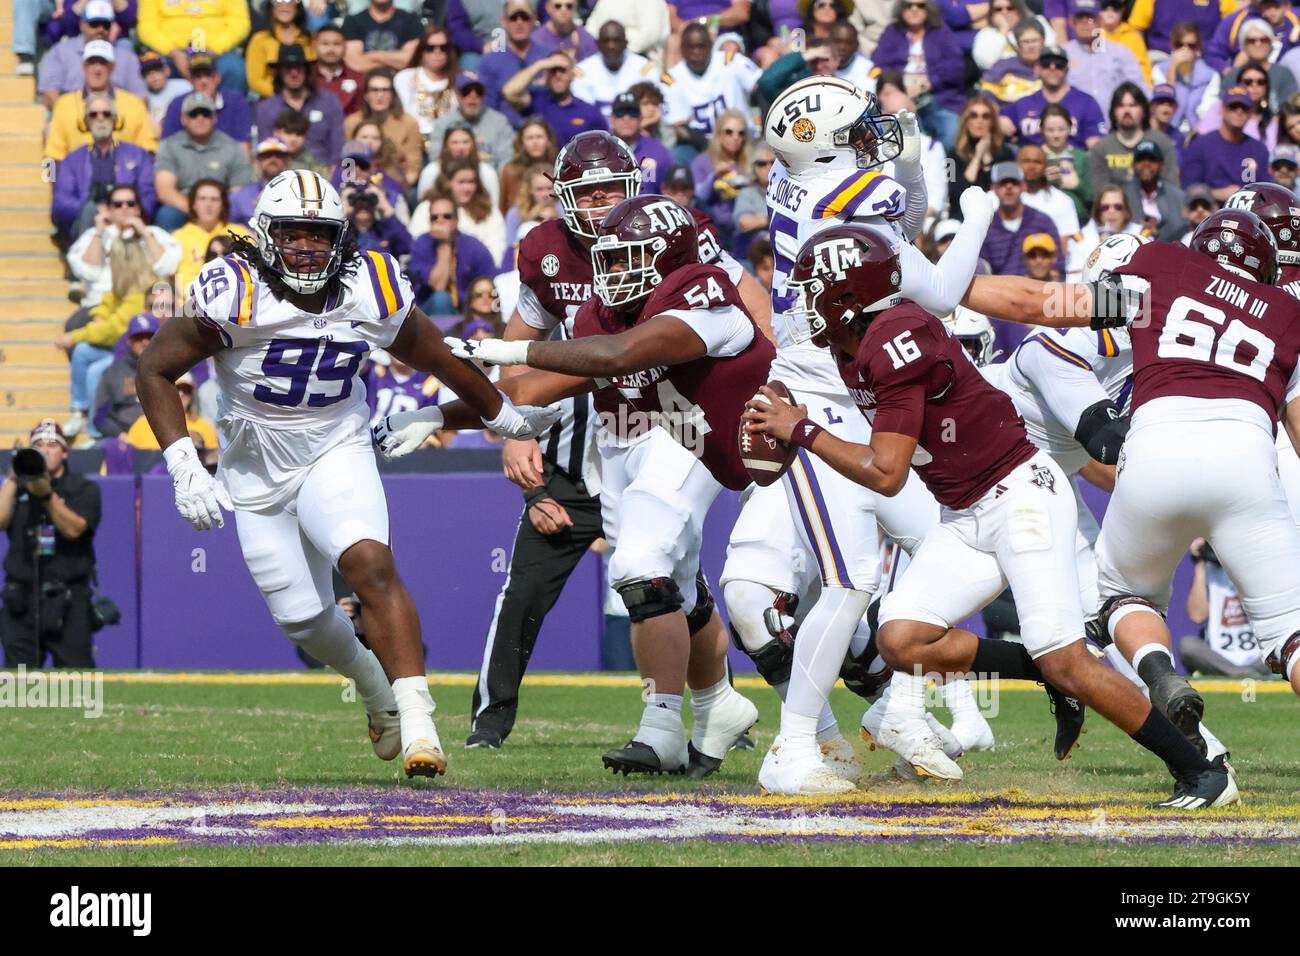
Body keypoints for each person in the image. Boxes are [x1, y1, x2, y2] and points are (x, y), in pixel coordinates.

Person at [756, 223, 1237, 810]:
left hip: (1021, 498)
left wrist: (801, 429)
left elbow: (887, 471)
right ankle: (1048, 679)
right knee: (902, 639)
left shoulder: (894, 335)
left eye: (813, 289)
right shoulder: (853, 343)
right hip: (966, 512)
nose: (804, 303)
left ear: (847, 294)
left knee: (1066, 654)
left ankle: (1199, 770)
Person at [135, 169, 559, 778]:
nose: (305, 246)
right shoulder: (234, 290)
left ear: (341, 236)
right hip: (255, 467)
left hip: (336, 444)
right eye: (291, 232)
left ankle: (419, 724)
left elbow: (439, 356)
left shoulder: (369, 286)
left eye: (318, 233)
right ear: (264, 234)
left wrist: (503, 416)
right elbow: (154, 368)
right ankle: (373, 690)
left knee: (370, 564)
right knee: (303, 618)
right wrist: (181, 462)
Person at [382, 194, 768, 777]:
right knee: (678, 590)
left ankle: (669, 726)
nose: (610, 274)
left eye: (626, 258)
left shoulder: (701, 292)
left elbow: (619, 357)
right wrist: (438, 416)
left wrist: (511, 347)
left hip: (689, 437)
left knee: (643, 569)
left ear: (667, 256)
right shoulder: (600, 315)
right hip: (622, 446)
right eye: (606, 260)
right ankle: (719, 705)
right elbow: (530, 393)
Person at [718, 79, 1000, 793]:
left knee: (946, 547)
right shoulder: (851, 196)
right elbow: (939, 289)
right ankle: (791, 750)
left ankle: (900, 707)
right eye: (860, 128)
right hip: (823, 397)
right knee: (849, 583)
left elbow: (886, 214)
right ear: (828, 143)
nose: (875, 136)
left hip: (852, 387)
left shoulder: (790, 177)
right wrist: (979, 215)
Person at [967, 206, 1300, 766]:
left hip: (1155, 448)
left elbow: (1035, 303)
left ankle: (1159, 673)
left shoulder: (1162, 275)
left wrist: (938, 282)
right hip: (1245, 456)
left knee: (1120, 594)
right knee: (1292, 634)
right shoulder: (1287, 311)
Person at [61, 185, 183, 437]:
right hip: (100, 306)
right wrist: (98, 232)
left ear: (139, 208)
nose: (125, 209)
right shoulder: (100, 235)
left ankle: (94, 430)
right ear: (108, 208)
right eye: (118, 204)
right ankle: (79, 411)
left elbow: (168, 264)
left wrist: (143, 232)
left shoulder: (153, 234)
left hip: (144, 312)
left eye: (130, 203)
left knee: (94, 366)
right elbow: (90, 272)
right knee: (82, 348)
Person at [0, 421, 103, 668]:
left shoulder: (83, 488)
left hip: (67, 599)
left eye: (52, 445)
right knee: (19, 687)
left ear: (65, 453)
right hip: (21, 599)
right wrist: (13, 479)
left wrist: (46, 495)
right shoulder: (15, 489)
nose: (45, 451)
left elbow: (74, 529)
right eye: (38, 446)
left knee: (77, 684)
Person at [52, 94, 157, 244]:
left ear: (115, 120)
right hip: (87, 223)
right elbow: (61, 202)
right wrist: (98, 210)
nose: (100, 118)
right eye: (93, 115)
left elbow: (149, 197)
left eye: (106, 114)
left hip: (129, 220)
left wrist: (121, 211)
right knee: (89, 212)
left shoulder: (139, 155)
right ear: (86, 122)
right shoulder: (72, 159)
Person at [154, 93, 256, 232]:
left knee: (240, 213)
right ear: (184, 119)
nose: (200, 118)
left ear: (214, 118)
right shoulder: (169, 146)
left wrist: (214, 211)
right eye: (193, 114)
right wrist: (197, 211)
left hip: (221, 207)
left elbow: (238, 191)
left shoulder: (233, 147)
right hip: (184, 206)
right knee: (167, 214)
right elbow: (165, 191)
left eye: (205, 113)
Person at [870, 0, 965, 149]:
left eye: (920, 6)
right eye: (908, 6)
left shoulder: (941, 32)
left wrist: (928, 83)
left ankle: (941, 167)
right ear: (901, 9)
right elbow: (879, 63)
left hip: (936, 97)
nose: (914, 10)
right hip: (899, 96)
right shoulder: (892, 32)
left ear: (928, 9)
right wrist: (898, 89)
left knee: (951, 130)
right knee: (885, 129)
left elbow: (956, 67)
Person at [44, 41, 157, 162]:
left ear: (112, 67)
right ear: (83, 66)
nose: (97, 70)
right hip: (76, 178)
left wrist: (142, 178)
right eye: (91, 63)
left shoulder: (133, 104)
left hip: (125, 177)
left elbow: (149, 149)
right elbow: (51, 157)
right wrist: (52, 180)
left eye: (103, 63)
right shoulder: (64, 105)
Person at [663, 23, 762, 156]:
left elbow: (762, 88)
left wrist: (764, 133)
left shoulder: (731, 61)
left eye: (701, 46)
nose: (696, 52)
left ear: (711, 45)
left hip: (743, 138)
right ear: (682, 49)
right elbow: (680, 126)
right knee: (679, 154)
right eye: (690, 47)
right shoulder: (672, 79)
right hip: (702, 147)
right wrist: (713, 149)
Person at [1179, 539, 1273, 677]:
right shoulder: (1207, 570)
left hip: (1259, 657)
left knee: (1283, 646)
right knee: (1187, 645)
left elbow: (1267, 609)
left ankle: (1237, 673)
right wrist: (1200, 562)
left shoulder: (1257, 569)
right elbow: (1197, 616)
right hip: (1219, 657)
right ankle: (1240, 673)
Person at [37, 0, 146, 109]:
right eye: (94, 24)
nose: (100, 29)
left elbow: (141, 98)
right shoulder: (61, 52)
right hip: (71, 115)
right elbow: (49, 92)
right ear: (82, 25)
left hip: (117, 118)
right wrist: (70, 118)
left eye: (106, 25)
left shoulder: (126, 57)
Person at [256, 44, 348, 173]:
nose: (294, 73)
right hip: (282, 174)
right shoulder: (266, 108)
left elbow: (338, 142)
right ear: (280, 71)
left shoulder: (329, 101)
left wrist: (334, 169)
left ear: (306, 70)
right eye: (288, 68)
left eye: (299, 67)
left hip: (323, 172)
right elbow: (265, 147)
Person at [407, 192, 501, 313]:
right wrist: (445, 245)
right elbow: (439, 286)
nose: (440, 221)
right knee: (442, 299)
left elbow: (492, 282)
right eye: (434, 217)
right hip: (429, 314)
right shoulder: (421, 245)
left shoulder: (473, 246)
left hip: (467, 312)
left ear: (456, 221)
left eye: (447, 216)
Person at [999, 46, 1105, 150]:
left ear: (1067, 69)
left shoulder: (1086, 103)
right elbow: (989, 116)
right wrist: (999, 120)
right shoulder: (1023, 104)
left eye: (1059, 65)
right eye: (1046, 64)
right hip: (1033, 163)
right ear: (1037, 69)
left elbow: (1096, 146)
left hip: (1073, 163)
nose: (1052, 68)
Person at [1180, 85, 1273, 200]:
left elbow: (1266, 191)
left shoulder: (1259, 149)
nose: (1239, 111)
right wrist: (1216, 194)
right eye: (1233, 106)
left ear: (1250, 113)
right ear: (1222, 109)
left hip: (1249, 213)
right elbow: (1189, 187)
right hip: (1211, 211)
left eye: (1244, 108)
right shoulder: (1200, 145)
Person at [136, 0, 250, 93]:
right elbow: (146, 29)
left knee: (235, 69)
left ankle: (230, 115)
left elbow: (240, 25)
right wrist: (175, 54)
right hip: (170, 54)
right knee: (153, 71)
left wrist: (213, 51)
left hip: (216, 53)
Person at [503, 52, 608, 148]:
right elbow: (509, 92)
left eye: (562, 70)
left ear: (572, 75)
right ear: (546, 75)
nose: (558, 75)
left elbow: (605, 145)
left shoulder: (589, 112)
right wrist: (539, 65)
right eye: (553, 70)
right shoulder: (536, 101)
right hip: (541, 167)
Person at [980, 160, 1064, 280]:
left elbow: (1058, 267)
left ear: (1023, 187)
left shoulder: (1043, 222)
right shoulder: (986, 227)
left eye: (1014, 183)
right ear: (994, 188)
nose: (1009, 187)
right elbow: (983, 272)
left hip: (1039, 290)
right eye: (1003, 183)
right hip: (1001, 293)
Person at [170, 179, 254, 296]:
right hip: (190, 307)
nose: (208, 204)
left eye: (214, 199)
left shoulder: (240, 234)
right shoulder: (177, 238)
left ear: (223, 204)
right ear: (193, 204)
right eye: (202, 199)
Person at [1088, 83, 1180, 188]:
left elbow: (1172, 189)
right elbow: (1099, 191)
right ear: (1113, 112)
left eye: (1133, 105)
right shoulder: (1101, 149)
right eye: (1121, 106)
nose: (1127, 111)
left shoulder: (1162, 143)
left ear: (1144, 110)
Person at [1064, 0, 1146, 117]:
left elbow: (1139, 89)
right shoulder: (1064, 54)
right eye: (1079, 17)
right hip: (1075, 125)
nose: (1085, 22)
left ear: (1100, 21)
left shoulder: (1120, 52)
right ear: (1072, 22)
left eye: (1090, 18)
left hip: (1115, 126)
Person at [160, 51, 252, 150]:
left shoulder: (235, 102)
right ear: (190, 80)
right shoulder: (178, 105)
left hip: (228, 162)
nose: (203, 81)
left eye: (208, 76)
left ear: (217, 78)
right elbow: (167, 147)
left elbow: (243, 146)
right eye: (198, 77)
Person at [478, 0, 548, 128]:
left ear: (534, 20)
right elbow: (487, 109)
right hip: (505, 134)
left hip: (546, 132)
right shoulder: (490, 61)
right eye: (513, 18)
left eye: (525, 17)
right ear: (504, 22)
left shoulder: (549, 57)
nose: (519, 23)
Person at [689, 108, 752, 248]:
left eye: (741, 133)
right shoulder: (702, 162)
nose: (735, 137)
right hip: (713, 227)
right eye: (729, 132)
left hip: (743, 228)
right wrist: (714, 178)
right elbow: (696, 197)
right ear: (719, 134)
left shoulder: (751, 163)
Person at [429, 72, 517, 170]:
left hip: (491, 178)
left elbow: (507, 159)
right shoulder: (442, 124)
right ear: (457, 95)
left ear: (484, 96)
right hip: (453, 177)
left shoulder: (500, 122)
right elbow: (436, 157)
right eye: (466, 91)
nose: (473, 96)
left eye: (478, 91)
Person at [92, 312, 159, 439]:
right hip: (125, 438)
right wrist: (120, 435)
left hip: (163, 439)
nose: (145, 342)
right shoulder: (113, 373)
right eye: (139, 337)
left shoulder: (171, 371)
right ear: (129, 340)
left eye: (150, 337)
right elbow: (100, 418)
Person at [947, 94, 1016, 216]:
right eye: (973, 116)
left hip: (998, 217)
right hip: (963, 216)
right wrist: (978, 156)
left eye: (986, 116)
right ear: (966, 121)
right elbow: (958, 192)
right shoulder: (952, 156)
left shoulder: (1005, 154)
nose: (980, 121)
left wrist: (987, 156)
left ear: (992, 122)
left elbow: (1006, 189)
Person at [1151, 22, 1220, 140]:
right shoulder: (1160, 69)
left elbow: (1207, 112)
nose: (1185, 50)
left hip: (1197, 133)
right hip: (1167, 129)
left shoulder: (1211, 75)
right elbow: (1163, 103)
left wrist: (1194, 134)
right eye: (1180, 45)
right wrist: (1172, 69)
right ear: (1173, 45)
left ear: (1198, 47)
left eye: (1191, 45)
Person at [573, 22, 656, 118]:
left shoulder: (645, 67)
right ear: (597, 44)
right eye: (606, 41)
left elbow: (652, 110)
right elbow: (584, 112)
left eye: (617, 41)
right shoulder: (582, 71)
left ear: (625, 43)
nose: (611, 46)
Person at [415, 124, 501, 212]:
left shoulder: (487, 172)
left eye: (465, 142)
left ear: (473, 145)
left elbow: (494, 206)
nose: (460, 147)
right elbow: (423, 205)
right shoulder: (431, 171)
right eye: (455, 142)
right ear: (446, 146)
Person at [394, 27, 459, 139]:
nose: (437, 52)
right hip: (414, 137)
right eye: (430, 48)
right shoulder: (405, 77)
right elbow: (405, 114)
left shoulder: (459, 80)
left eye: (443, 48)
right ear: (422, 51)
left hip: (449, 140)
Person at [246, 0, 317, 99]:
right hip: (272, 100)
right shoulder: (260, 40)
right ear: (271, 6)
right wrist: (284, 96)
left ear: (298, 6)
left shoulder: (309, 39)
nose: (284, 6)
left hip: (306, 99)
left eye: (290, 2)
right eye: (278, 1)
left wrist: (302, 95)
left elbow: (314, 73)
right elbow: (255, 80)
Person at [1206, 0, 1300, 72]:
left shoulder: (1294, 18)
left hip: (1287, 83)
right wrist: (1230, 73)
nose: (1271, 11)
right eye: (1267, 7)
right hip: (1248, 82)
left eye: (1275, 7)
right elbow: (1213, 55)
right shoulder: (1234, 21)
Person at [1122, 140, 1188, 242]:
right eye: (1140, 159)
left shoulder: (1177, 196)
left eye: (1152, 159)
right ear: (1133, 165)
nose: (1146, 164)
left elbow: (1183, 227)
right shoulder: (1123, 195)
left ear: (1161, 165)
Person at [609, 92, 673, 195]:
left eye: (633, 113)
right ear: (611, 118)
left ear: (641, 118)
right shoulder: (600, 151)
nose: (626, 118)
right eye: (620, 113)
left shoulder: (659, 153)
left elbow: (671, 194)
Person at [1018, 142, 1082, 244]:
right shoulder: (996, 198)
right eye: (1026, 161)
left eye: (1037, 162)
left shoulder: (1063, 201)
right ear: (1016, 163)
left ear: (1045, 166)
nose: (1031, 166)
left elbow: (1065, 243)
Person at [1042, 103, 1093, 221]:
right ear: (1042, 130)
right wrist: (1043, 181)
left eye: (1061, 129)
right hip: (1046, 220)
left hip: (1079, 220)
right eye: (1050, 130)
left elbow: (1092, 197)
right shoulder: (1035, 157)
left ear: (1070, 129)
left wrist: (1078, 186)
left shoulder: (1082, 157)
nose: (1056, 135)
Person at [342, 0, 423, 74]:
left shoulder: (411, 20)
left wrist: (371, 55)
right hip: (364, 83)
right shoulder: (353, 22)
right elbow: (355, 63)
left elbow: (409, 60)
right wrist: (393, 64)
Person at [972, 0, 1055, 72]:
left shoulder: (1037, 22)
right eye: (998, 9)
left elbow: (1051, 52)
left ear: (1019, 9)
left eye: (1010, 8)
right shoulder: (986, 34)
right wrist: (1003, 30)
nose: (1004, 12)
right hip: (1001, 83)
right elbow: (986, 62)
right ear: (992, 13)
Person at [980, 17, 1048, 104]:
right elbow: (987, 97)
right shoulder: (1002, 67)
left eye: (1034, 41)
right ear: (1017, 45)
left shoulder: (1054, 65)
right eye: (1026, 42)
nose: (1031, 46)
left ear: (1043, 41)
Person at [345, 175, 413, 257]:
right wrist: (343, 210)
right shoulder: (345, 232)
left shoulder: (385, 229)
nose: (363, 204)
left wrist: (385, 206)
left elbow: (408, 246)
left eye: (368, 199)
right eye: (356, 200)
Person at [586, 0, 671, 65]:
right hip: (603, 61)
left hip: (642, 61)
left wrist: (613, 39)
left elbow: (649, 35)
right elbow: (591, 27)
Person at [231, 138, 291, 226]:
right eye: (267, 155)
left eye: (278, 155)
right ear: (257, 161)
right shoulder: (240, 196)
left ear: (286, 161)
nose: (273, 159)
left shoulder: (297, 194)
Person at [503, 162, 560, 252]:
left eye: (549, 188)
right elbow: (511, 248)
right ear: (530, 189)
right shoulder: (515, 214)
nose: (545, 194)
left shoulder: (563, 209)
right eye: (539, 189)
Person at [313, 25, 368, 117]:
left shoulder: (359, 79)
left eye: (336, 44)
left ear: (345, 47)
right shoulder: (306, 77)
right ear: (315, 46)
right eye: (325, 44)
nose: (331, 49)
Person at [139, 51, 192, 134]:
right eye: (147, 73)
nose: (153, 76)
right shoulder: (142, 98)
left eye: (157, 71)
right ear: (142, 78)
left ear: (167, 71)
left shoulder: (185, 86)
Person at [532, 0, 598, 61]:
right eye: (558, 6)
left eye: (569, 6)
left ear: (575, 8)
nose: (563, 10)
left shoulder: (586, 38)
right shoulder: (536, 39)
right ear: (548, 8)